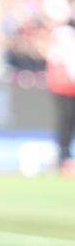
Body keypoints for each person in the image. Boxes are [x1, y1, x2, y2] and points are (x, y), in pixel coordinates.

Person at [46, 18, 75, 176]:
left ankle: (63, 153)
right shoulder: (67, 43)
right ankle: (64, 155)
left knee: (66, 120)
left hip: (61, 87)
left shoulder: (57, 44)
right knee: (67, 119)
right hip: (66, 87)